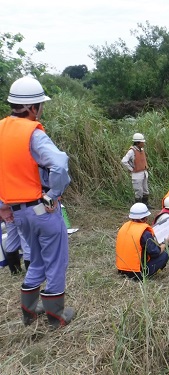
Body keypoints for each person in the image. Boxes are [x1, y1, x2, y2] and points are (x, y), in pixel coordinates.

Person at [0, 76, 74, 328]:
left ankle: (29, 312)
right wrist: (53, 194)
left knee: (37, 260)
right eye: (40, 104)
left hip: (18, 212)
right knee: (55, 260)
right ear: (32, 108)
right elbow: (60, 163)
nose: (41, 108)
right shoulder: (33, 133)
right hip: (41, 208)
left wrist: (5, 205)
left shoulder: (1, 129)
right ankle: (56, 316)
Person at [116, 203, 169, 281]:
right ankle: (148, 274)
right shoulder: (145, 233)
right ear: (145, 218)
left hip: (121, 270)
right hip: (137, 274)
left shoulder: (124, 227)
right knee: (164, 255)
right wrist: (165, 243)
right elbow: (156, 253)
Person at [121, 133, 150, 207]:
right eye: (142, 142)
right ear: (137, 143)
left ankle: (145, 205)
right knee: (138, 191)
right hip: (136, 174)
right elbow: (124, 161)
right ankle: (138, 207)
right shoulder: (132, 151)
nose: (143, 143)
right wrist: (131, 169)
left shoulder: (142, 149)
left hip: (144, 172)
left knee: (145, 190)